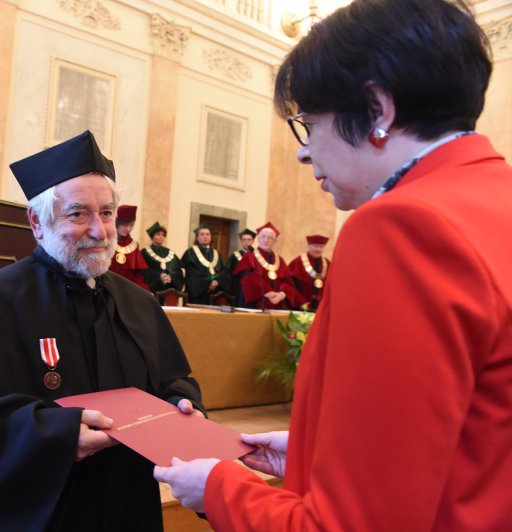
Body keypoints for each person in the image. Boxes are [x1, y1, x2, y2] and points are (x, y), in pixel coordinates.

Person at [154, 0, 512, 529]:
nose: (303, 153)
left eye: (310, 124)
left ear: (377, 109)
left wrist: (219, 487)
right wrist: (312, 455)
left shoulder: (403, 226)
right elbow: (477, 437)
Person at [0, 130, 205, 531]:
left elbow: (173, 379)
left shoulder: (140, 302)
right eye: (78, 214)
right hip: (41, 515)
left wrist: (182, 404)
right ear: (37, 221)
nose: (100, 231)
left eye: (107, 213)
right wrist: (54, 435)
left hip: (129, 505)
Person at [231, 222, 304, 310]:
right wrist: (266, 292)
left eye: (270, 238)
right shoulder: (249, 256)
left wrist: (282, 294)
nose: (266, 240)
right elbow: (247, 279)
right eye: (263, 237)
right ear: (258, 239)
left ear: (275, 241)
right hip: (255, 304)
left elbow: (289, 283)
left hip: (276, 304)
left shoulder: (280, 260)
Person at [180, 224, 230, 305]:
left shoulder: (217, 254)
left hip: (214, 294)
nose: (205, 236)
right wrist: (208, 284)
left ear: (211, 237)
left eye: (207, 234)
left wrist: (216, 281)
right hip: (197, 294)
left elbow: (223, 271)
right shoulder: (191, 253)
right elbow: (192, 274)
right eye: (202, 234)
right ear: (197, 237)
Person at [107, 204, 150, 291]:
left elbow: (137, 276)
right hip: (108, 287)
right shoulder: (106, 242)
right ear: (117, 223)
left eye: (131, 225)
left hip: (128, 290)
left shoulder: (133, 245)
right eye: (125, 225)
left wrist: (144, 291)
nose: (128, 229)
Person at [288, 234, 330, 311]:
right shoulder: (298, 262)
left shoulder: (327, 263)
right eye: (315, 246)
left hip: (322, 308)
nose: (318, 249)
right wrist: (300, 302)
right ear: (309, 246)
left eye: (321, 247)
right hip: (301, 307)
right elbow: (290, 285)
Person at [141, 221, 184, 296]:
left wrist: (171, 277)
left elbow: (178, 271)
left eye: (163, 235)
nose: (161, 237)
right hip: (153, 290)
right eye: (158, 234)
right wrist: (158, 275)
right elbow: (144, 271)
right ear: (152, 236)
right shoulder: (145, 252)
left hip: (168, 290)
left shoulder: (170, 253)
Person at [227, 228, 255, 307]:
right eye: (244, 240)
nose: (246, 242)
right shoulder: (235, 256)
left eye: (249, 240)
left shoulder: (256, 255)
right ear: (241, 241)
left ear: (253, 241)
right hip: (239, 288)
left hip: (253, 288)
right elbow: (229, 274)